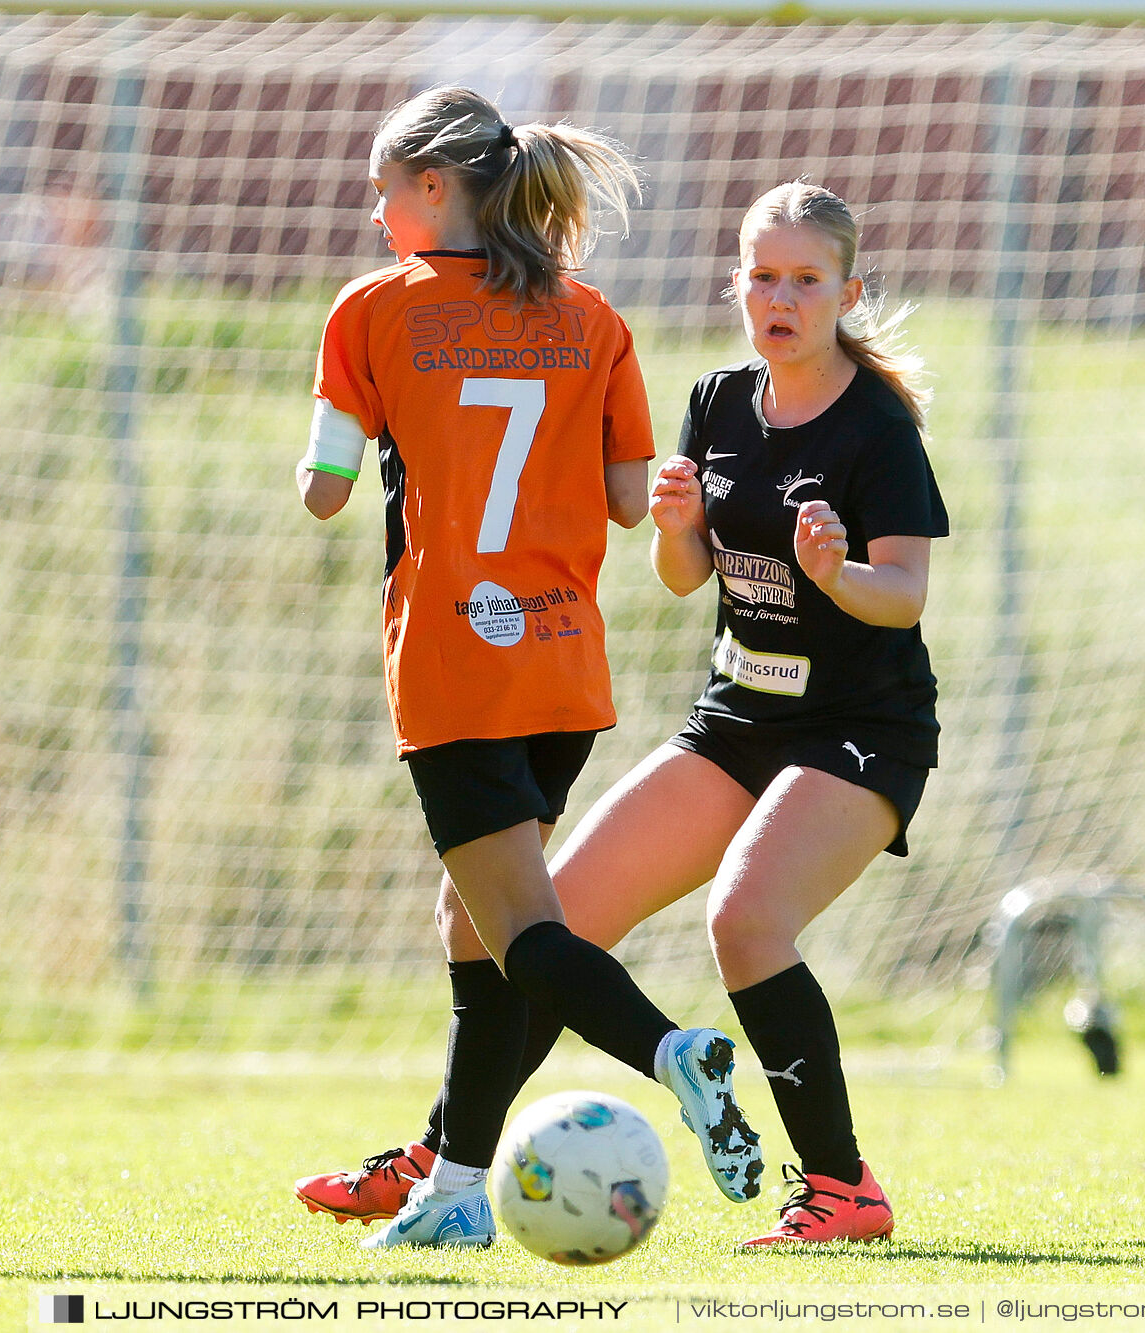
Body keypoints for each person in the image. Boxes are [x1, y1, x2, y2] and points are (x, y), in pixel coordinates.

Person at [297, 179, 947, 1247]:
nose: (779, 298)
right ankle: (442, 1157)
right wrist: (678, 526)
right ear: (739, 284)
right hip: (737, 716)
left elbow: (906, 595)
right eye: (763, 276)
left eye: (805, 280)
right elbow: (685, 575)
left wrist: (838, 573)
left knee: (745, 921)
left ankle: (841, 1188)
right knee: (554, 926)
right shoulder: (718, 399)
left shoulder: (875, 426)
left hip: (862, 727)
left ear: (847, 292)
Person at [295, 85, 763, 1251]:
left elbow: (323, 492)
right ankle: (453, 1188)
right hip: (561, 662)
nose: (375, 213)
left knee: (517, 925)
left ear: (438, 187)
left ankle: (672, 1050)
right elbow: (622, 498)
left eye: (385, 189)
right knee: (474, 919)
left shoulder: (371, 312)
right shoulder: (593, 317)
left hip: (456, 654)